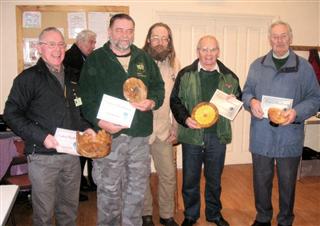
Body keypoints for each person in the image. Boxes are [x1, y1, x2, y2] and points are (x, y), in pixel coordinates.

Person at [3, 27, 95, 226]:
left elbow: (78, 110)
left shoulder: (73, 77)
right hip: (42, 157)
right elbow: (11, 114)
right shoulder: (28, 78)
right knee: (43, 215)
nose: (57, 49)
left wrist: (87, 127)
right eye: (51, 44)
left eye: (61, 44)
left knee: (69, 212)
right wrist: (42, 136)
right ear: (39, 48)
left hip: (71, 156)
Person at [79, 14, 165, 226]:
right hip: (110, 137)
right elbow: (85, 100)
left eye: (129, 30)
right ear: (109, 32)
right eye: (119, 30)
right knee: (109, 189)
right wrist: (100, 123)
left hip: (139, 138)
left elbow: (158, 88)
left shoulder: (144, 58)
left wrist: (152, 102)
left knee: (136, 190)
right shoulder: (96, 59)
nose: (125, 35)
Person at [242, 20, 320, 226]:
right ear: (269, 39)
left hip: (289, 134)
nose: (279, 40)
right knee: (261, 180)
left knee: (287, 182)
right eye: (275, 36)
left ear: (290, 38)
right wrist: (252, 101)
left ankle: (285, 219)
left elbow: (315, 98)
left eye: (283, 35)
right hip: (262, 134)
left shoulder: (304, 68)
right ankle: (263, 217)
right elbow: (246, 92)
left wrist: (297, 112)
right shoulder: (257, 65)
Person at [170, 35, 241, 226]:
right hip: (192, 136)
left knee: (214, 179)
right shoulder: (185, 74)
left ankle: (214, 214)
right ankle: (191, 215)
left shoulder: (230, 77)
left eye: (213, 49)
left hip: (217, 137)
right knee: (190, 179)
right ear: (198, 51)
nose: (209, 54)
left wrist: (235, 99)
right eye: (204, 49)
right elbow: (175, 101)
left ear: (218, 51)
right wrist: (185, 119)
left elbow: (238, 99)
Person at [141, 22, 180, 226]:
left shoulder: (175, 65)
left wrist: (176, 126)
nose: (160, 42)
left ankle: (166, 215)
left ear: (169, 42)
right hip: (141, 130)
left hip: (164, 130)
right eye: (156, 38)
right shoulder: (137, 63)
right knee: (141, 175)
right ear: (148, 40)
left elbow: (177, 98)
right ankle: (146, 214)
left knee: (168, 175)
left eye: (165, 38)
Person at [63, 29, 97, 199]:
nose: (94, 45)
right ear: (81, 42)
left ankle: (85, 182)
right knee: (77, 152)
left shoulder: (84, 56)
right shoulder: (71, 57)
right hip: (75, 111)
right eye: (91, 42)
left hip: (83, 109)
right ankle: (74, 191)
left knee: (84, 149)